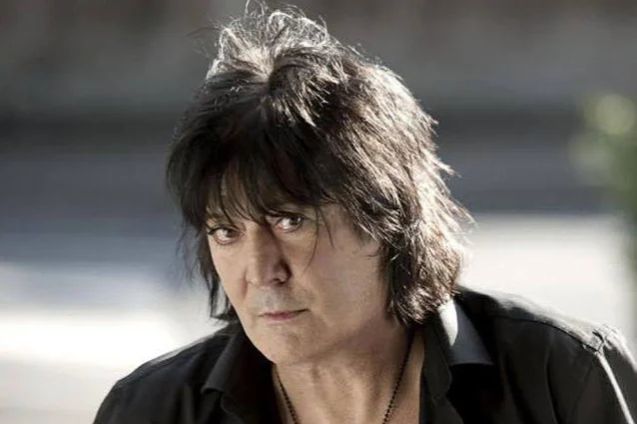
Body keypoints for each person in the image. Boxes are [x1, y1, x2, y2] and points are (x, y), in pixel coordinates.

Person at [94, 7, 637, 424]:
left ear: (386, 216)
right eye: (225, 230)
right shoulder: (152, 410)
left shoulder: (559, 379)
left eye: (290, 221)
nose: (260, 271)